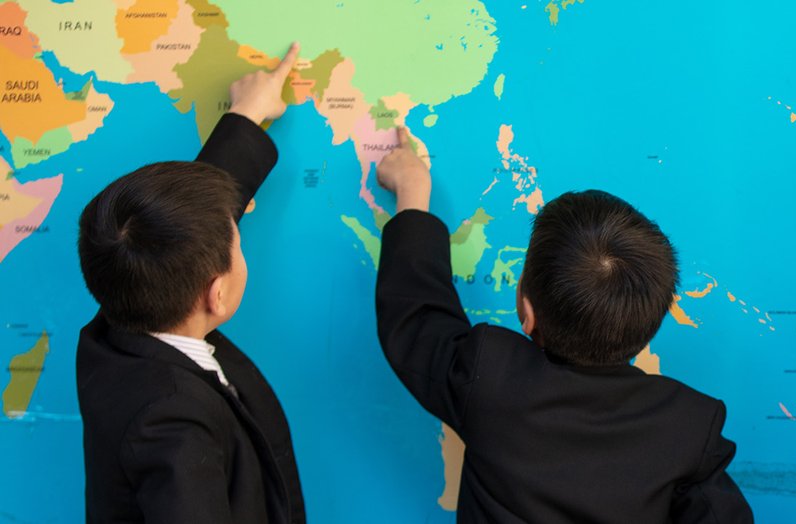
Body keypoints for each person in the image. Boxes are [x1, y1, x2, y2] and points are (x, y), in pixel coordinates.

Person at [370, 128, 754, 522]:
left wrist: (413, 194)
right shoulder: (688, 426)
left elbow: (416, 316)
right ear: (648, 331)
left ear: (527, 313)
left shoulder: (489, 378)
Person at [75, 44, 304, 523]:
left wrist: (247, 115)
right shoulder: (172, 425)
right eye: (238, 242)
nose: (241, 237)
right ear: (216, 294)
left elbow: (166, 228)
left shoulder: (119, 314)